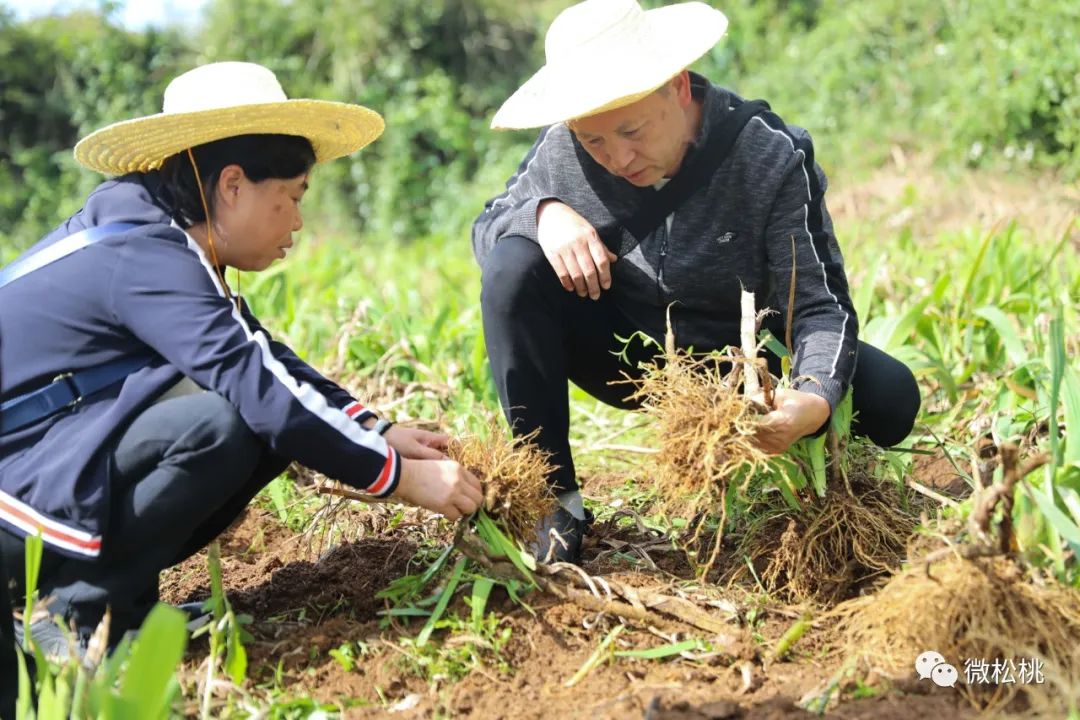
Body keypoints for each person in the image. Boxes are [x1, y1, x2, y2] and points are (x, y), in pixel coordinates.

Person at [0, 61, 483, 658]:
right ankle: (73, 615)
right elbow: (257, 386)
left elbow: (260, 358)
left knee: (253, 417)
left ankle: (117, 606)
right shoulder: (143, 253)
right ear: (233, 185)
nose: (300, 221)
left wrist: (377, 431)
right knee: (225, 422)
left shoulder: (158, 235)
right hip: (12, 491)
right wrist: (401, 478)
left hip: (35, 467)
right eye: (292, 196)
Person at [472, 0, 920, 562]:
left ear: (678, 87)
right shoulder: (563, 149)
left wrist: (811, 397)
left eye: (631, 130)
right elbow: (488, 224)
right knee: (512, 266)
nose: (617, 157)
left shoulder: (767, 155)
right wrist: (541, 214)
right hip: (624, 353)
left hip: (742, 364)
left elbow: (818, 306)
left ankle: (820, 476)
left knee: (890, 397)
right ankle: (551, 500)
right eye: (595, 142)